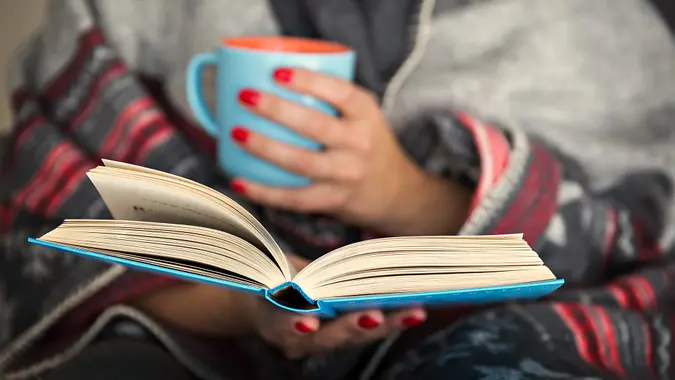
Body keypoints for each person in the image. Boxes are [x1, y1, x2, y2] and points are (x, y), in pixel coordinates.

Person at [1, 0, 674, 379]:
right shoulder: (140, 11)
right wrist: (257, 305)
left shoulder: (593, 28)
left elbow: (640, 234)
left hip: (504, 324)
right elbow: (59, 212)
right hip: (197, 335)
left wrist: (402, 193)